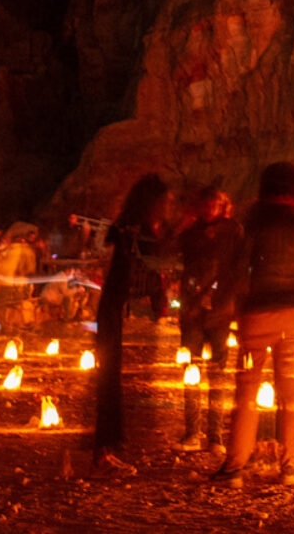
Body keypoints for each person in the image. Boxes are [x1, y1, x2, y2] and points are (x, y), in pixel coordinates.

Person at [219, 162, 294, 483]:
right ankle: (289, 466)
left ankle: (235, 466)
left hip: (258, 315)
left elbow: (240, 268)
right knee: (293, 395)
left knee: (247, 393)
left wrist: (230, 305)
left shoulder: (253, 220)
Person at [90, 174, 174, 460]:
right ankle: (110, 439)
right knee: (114, 375)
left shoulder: (139, 229)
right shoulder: (133, 230)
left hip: (124, 308)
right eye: (165, 201)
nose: (168, 206)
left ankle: (117, 436)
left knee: (119, 376)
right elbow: (154, 261)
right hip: (120, 309)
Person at [174, 185, 241, 450]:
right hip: (192, 312)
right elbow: (169, 250)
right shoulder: (191, 232)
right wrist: (182, 225)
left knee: (218, 373)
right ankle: (192, 432)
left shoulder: (234, 232)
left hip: (220, 312)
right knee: (191, 371)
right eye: (206, 204)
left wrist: (223, 300)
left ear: (224, 205)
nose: (210, 209)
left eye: (216, 203)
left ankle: (215, 436)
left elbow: (236, 270)